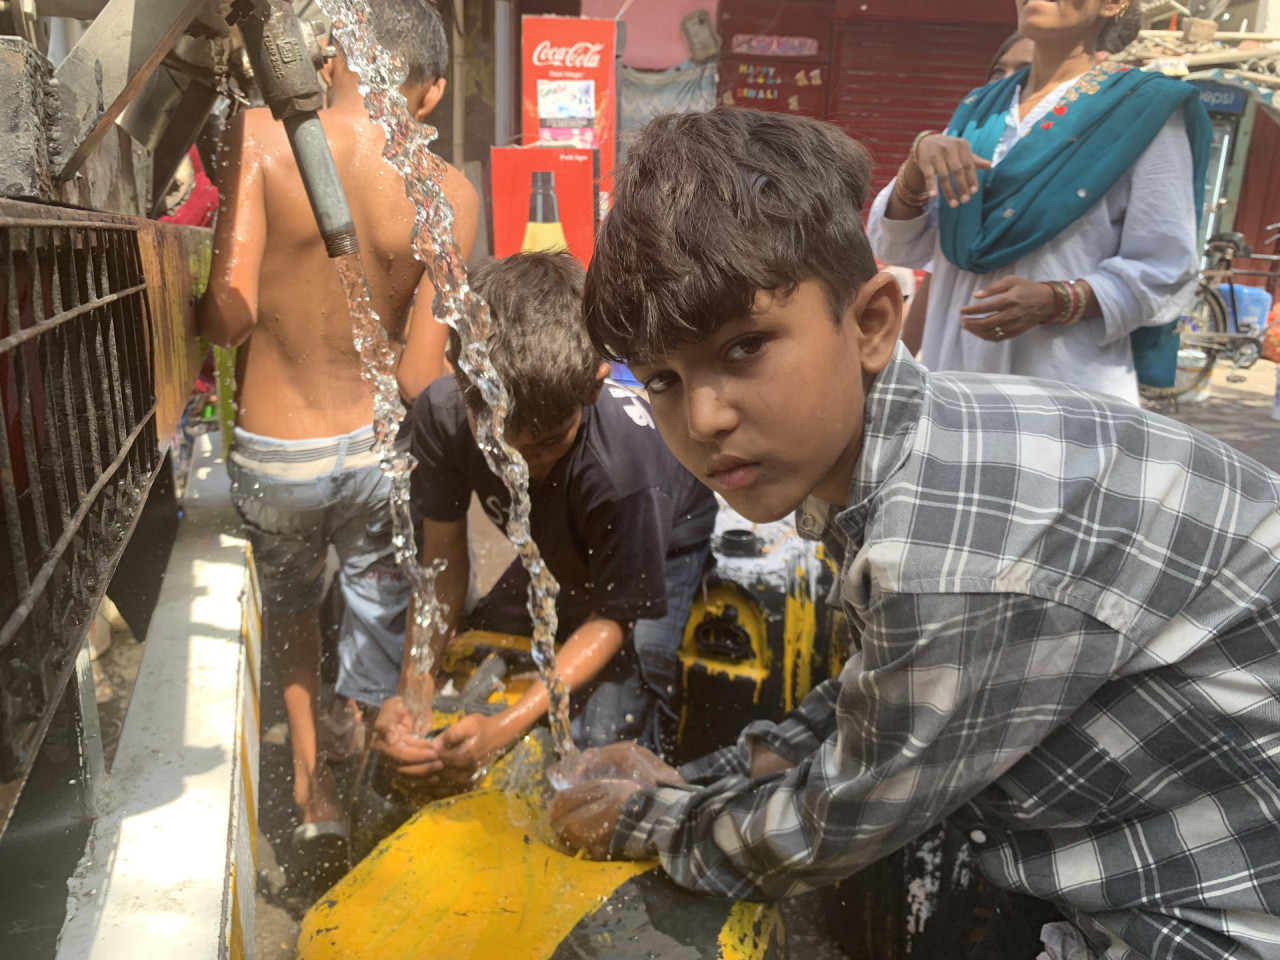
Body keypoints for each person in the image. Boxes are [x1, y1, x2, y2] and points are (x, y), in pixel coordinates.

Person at [548, 106, 1280, 960]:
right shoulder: (914, 449)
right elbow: (883, 685)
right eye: (664, 378)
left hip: (1223, 899)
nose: (704, 417)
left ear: (871, 323)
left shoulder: (945, 551)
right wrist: (712, 773)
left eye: (745, 348)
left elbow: (839, 822)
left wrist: (647, 819)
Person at [199, 0, 479, 879]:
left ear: (330, 64)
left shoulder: (264, 137)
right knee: (378, 599)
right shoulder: (451, 193)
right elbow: (419, 381)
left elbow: (229, 317)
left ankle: (309, 790)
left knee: (289, 614)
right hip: (373, 450)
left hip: (274, 452)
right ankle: (373, 750)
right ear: (427, 93)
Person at [373, 251, 718, 781]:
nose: (521, 465)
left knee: (606, 730)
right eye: (499, 445)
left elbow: (614, 617)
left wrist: (505, 726)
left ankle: (662, 769)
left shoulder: (624, 472)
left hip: (664, 537)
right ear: (466, 389)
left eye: (546, 445)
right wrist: (413, 692)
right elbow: (440, 568)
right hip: (559, 543)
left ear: (594, 387)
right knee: (476, 647)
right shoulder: (441, 416)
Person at [869, 0, 1208, 404]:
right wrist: (914, 166)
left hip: (1064, 389)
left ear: (1112, 4)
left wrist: (1056, 300)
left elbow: (1164, 267)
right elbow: (899, 247)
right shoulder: (979, 110)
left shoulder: (1139, 113)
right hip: (953, 381)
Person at [900, 31, 1034, 355]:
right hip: (953, 358)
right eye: (998, 71)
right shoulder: (963, 137)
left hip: (1044, 358)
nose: (1005, 83)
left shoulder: (1083, 156)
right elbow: (929, 264)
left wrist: (1060, 299)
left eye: (1024, 71)